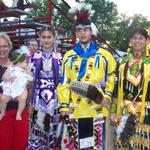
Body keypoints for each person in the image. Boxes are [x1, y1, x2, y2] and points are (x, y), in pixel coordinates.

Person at [57, 3, 116, 149]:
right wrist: (65, 106)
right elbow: (64, 83)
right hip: (75, 108)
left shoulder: (105, 55)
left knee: (96, 145)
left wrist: (106, 97)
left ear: (91, 31)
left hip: (97, 106)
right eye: (79, 30)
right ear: (76, 32)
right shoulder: (68, 57)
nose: (82, 33)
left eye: (86, 29)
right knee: (79, 145)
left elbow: (111, 78)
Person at [111, 28, 150, 150]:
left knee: (142, 144)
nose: (137, 41)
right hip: (124, 111)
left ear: (147, 41)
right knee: (124, 143)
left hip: (145, 111)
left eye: (141, 38)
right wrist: (113, 110)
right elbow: (116, 87)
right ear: (130, 41)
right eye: (134, 38)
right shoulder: (122, 61)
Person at [28, 27, 62, 149]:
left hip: (56, 100)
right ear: (40, 39)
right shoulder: (34, 58)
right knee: (38, 131)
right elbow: (30, 83)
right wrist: (30, 104)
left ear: (54, 38)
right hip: (38, 100)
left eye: (49, 37)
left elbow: (64, 82)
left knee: (55, 131)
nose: (46, 40)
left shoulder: (60, 58)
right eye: (43, 37)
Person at [0, 33, 29, 150]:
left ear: (10, 47)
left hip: (21, 110)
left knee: (20, 144)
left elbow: (29, 84)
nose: (2, 49)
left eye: (4, 46)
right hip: (3, 112)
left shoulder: (19, 62)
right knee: (5, 144)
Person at [0, 51, 33, 120]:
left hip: (21, 89)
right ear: (18, 62)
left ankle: (19, 113)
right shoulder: (11, 68)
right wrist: (9, 78)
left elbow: (31, 79)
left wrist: (29, 74)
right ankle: (2, 112)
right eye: (25, 62)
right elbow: (4, 77)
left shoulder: (26, 70)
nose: (27, 64)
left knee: (23, 98)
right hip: (11, 89)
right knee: (3, 99)